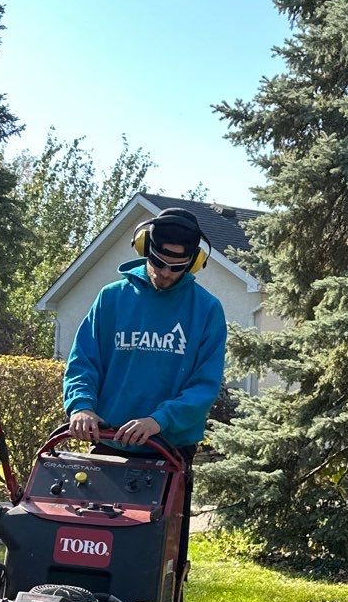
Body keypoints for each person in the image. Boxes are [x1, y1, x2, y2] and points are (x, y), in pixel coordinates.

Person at [62, 205, 227, 572]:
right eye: (159, 262)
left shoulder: (207, 311)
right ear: (143, 247)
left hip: (167, 451)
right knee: (93, 553)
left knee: (158, 562)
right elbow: (83, 362)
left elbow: (204, 385)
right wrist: (82, 406)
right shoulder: (111, 298)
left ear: (194, 262)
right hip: (108, 447)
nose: (166, 273)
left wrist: (158, 421)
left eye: (176, 267)